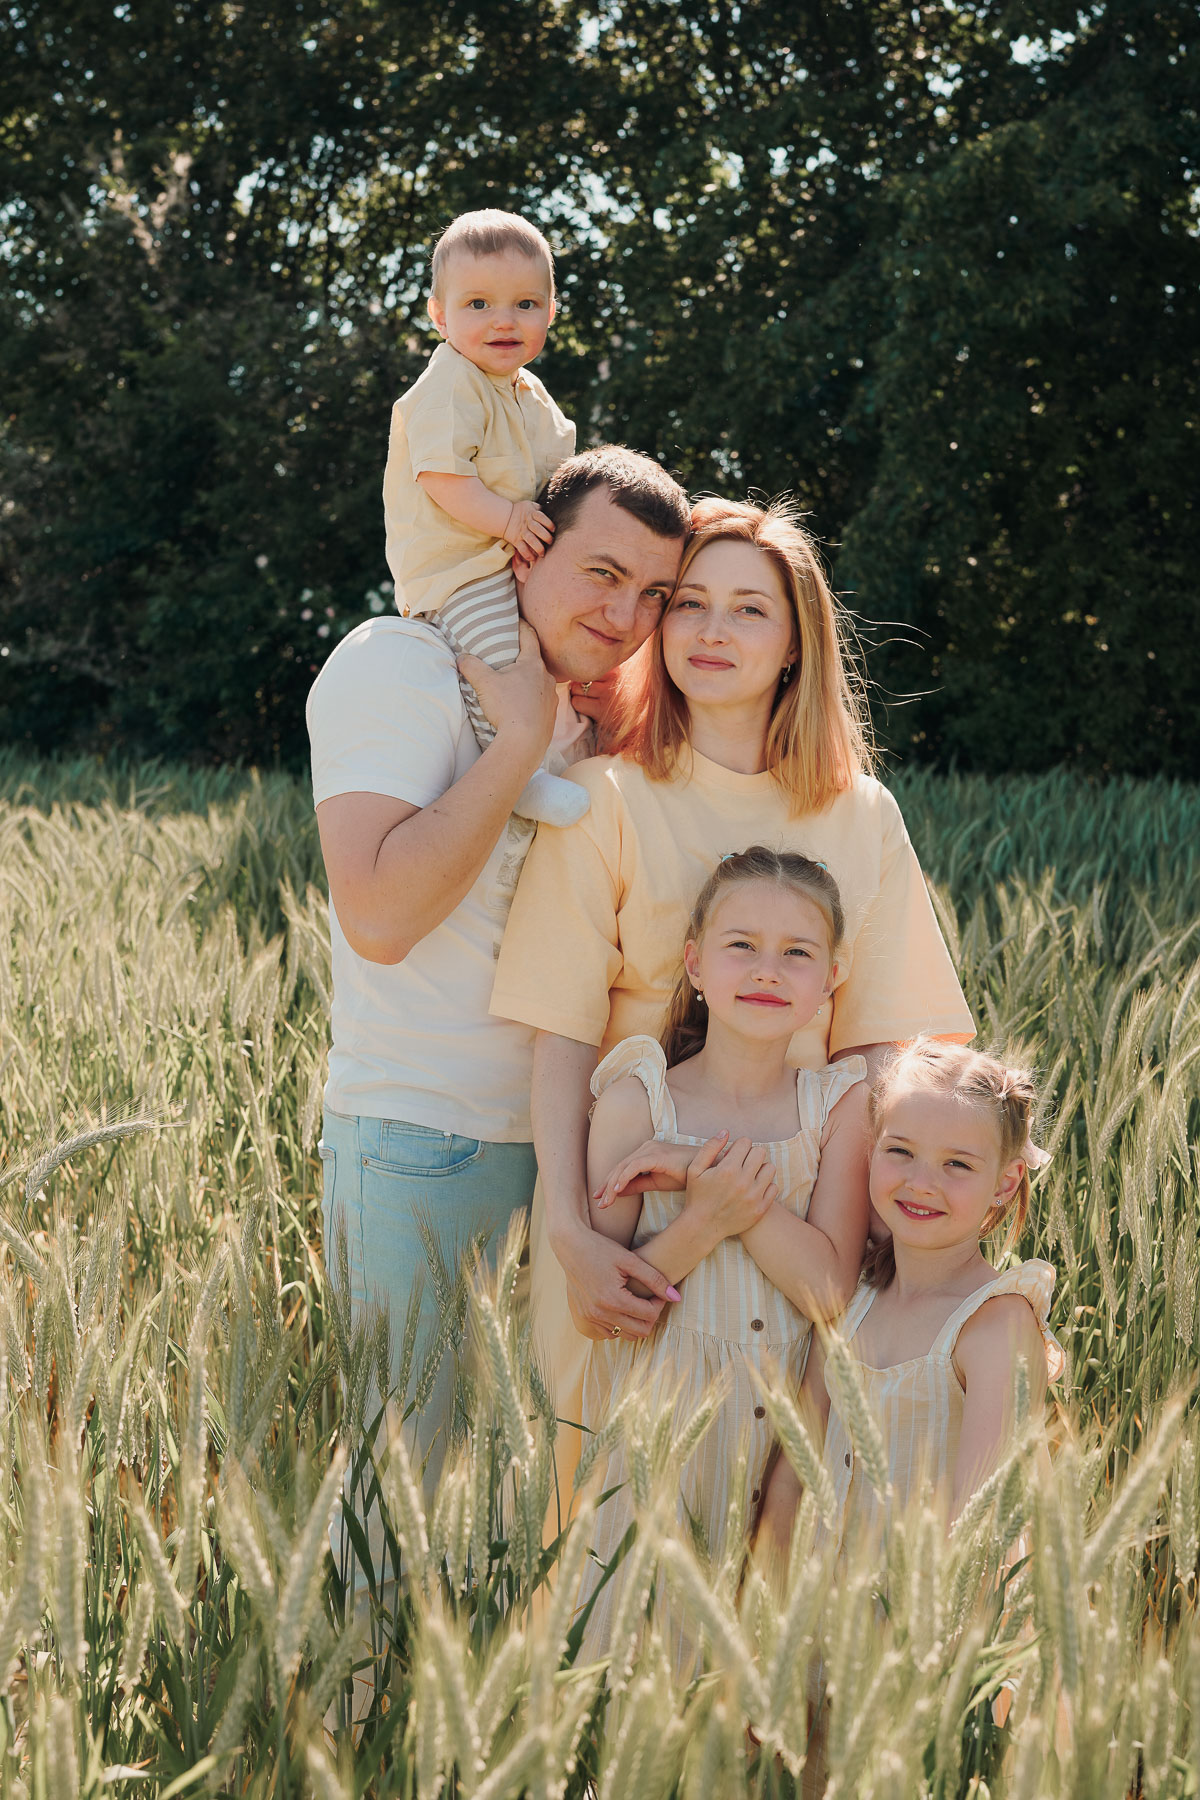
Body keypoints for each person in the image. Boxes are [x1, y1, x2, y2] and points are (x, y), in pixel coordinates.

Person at [489, 495, 977, 1516]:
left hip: (802, 1227)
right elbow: (561, 1035)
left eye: (749, 609)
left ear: (798, 642)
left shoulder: (860, 813)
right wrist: (571, 1234)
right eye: (689, 603)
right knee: (605, 1524)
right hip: (632, 1214)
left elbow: (883, 1049)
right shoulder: (605, 798)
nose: (711, 631)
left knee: (779, 1528)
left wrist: (864, 1244)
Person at [309, 446, 690, 1491]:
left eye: (654, 594)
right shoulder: (399, 662)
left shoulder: (582, 711)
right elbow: (380, 916)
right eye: (602, 572)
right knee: (402, 1492)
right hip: (424, 1143)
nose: (625, 614)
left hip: (576, 1160)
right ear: (526, 547)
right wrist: (518, 743)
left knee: (530, 1496)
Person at [576, 848, 871, 1669]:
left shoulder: (837, 1109)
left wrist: (721, 1184)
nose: (768, 970)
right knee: (641, 1673)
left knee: (765, 1685)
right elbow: (607, 1310)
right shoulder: (639, 1099)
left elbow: (829, 1291)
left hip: (794, 1445)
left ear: (831, 979)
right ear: (696, 963)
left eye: (797, 953)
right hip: (659, 1441)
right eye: (742, 946)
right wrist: (708, 1217)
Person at [757, 1038, 1063, 1560]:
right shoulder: (852, 1301)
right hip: (823, 1604)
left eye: (957, 1164)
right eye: (900, 1151)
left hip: (934, 1605)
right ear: (871, 1149)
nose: (921, 1183)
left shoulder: (996, 1326)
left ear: (1006, 1183)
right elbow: (792, 1475)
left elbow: (976, 1530)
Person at [382, 207, 583, 826]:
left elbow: (561, 474)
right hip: (457, 570)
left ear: (551, 312)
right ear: (439, 315)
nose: (504, 319)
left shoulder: (530, 394)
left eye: (525, 304)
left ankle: (568, 748)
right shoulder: (451, 382)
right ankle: (514, 772)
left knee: (559, 649)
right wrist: (508, 520)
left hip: (509, 558)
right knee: (495, 657)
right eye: (478, 304)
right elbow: (443, 478)